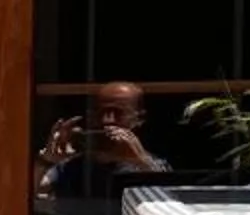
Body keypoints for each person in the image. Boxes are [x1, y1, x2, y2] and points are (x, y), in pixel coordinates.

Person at [35, 80, 168, 198]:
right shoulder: (69, 166)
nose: (107, 121)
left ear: (139, 119)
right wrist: (46, 160)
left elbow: (171, 204)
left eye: (118, 113)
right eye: (101, 112)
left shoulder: (153, 166)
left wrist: (141, 162)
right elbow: (25, 194)